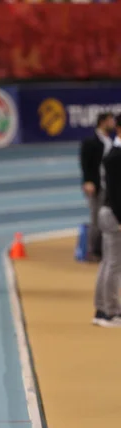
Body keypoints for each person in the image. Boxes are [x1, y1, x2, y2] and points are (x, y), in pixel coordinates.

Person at [92, 113, 121, 328]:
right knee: (113, 264)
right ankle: (111, 312)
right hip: (114, 214)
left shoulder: (114, 153)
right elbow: (116, 192)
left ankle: (102, 309)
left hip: (110, 212)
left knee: (107, 263)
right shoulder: (115, 156)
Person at [79, 112, 115, 262]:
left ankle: (104, 250)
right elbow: (85, 163)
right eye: (110, 121)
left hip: (109, 186)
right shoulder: (90, 142)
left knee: (108, 219)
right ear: (102, 122)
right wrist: (87, 181)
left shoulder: (110, 141)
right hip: (96, 186)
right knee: (96, 219)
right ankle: (92, 252)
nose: (113, 124)